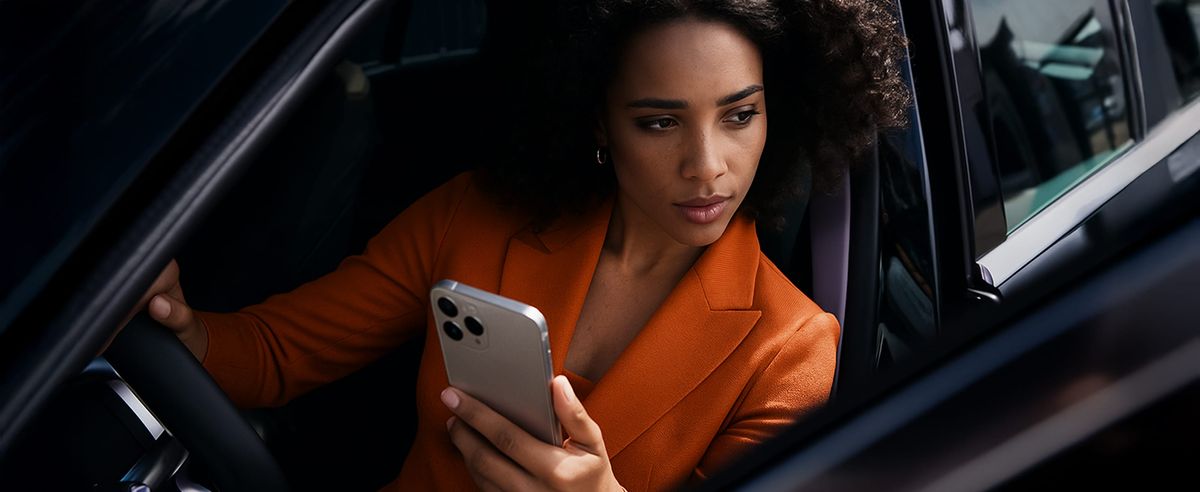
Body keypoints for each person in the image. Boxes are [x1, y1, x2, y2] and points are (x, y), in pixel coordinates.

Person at [128, 0, 908, 490]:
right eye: (660, 122)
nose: (708, 167)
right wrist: (182, 325)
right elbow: (271, 355)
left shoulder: (791, 346)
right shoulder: (475, 216)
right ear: (599, 122)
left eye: (740, 115)